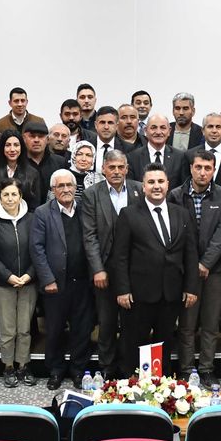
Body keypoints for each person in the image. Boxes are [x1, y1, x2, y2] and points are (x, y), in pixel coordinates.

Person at [111, 163, 199, 377]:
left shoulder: (181, 214)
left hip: (171, 292)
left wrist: (191, 287)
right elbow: (120, 256)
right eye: (151, 182)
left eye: (160, 181)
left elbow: (190, 253)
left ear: (168, 184)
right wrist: (122, 289)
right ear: (143, 186)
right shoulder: (129, 214)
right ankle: (131, 384)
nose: (156, 186)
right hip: (138, 294)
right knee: (134, 341)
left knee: (165, 341)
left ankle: (161, 383)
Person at [170, 149, 221, 384]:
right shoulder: (176, 195)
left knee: (210, 323)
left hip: (215, 271)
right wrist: (192, 264)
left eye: (208, 168)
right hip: (186, 272)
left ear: (214, 170)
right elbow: (175, 233)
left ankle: (206, 368)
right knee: (186, 324)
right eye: (198, 167)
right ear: (191, 168)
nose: (203, 172)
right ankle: (186, 369)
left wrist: (206, 262)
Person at [31, 169, 94, 388]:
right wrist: (47, 279)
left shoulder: (85, 209)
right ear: (52, 190)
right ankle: (56, 370)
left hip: (83, 282)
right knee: (55, 330)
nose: (66, 189)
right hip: (56, 284)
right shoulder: (42, 213)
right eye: (61, 186)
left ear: (75, 188)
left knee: (82, 329)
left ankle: (78, 370)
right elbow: (37, 249)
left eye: (69, 185)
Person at [83, 149, 143, 378]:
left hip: (134, 269)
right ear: (103, 169)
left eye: (120, 167)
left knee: (132, 322)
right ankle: (107, 367)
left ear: (127, 169)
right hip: (105, 268)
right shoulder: (92, 194)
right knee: (107, 322)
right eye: (112, 167)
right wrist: (97, 269)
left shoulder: (139, 190)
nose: (116, 171)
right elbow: (89, 235)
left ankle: (129, 368)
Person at [0, 178, 37, 388]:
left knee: (24, 328)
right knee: (7, 329)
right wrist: (7, 276)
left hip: (28, 283)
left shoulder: (32, 219)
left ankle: (23, 365)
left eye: (14, 194)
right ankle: (8, 366)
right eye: (5, 194)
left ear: (20, 196)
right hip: (3, 284)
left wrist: (29, 275)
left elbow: (39, 249)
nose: (10, 198)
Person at [0, 130, 39, 210]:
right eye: (8, 145)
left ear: (21, 147)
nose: (12, 149)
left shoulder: (32, 173)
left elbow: (35, 205)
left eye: (16, 145)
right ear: (2, 147)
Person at [129, 113, 185, 185]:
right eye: (153, 128)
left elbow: (183, 187)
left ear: (169, 131)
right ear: (145, 131)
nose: (158, 132)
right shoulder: (133, 158)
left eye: (163, 128)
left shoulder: (180, 157)